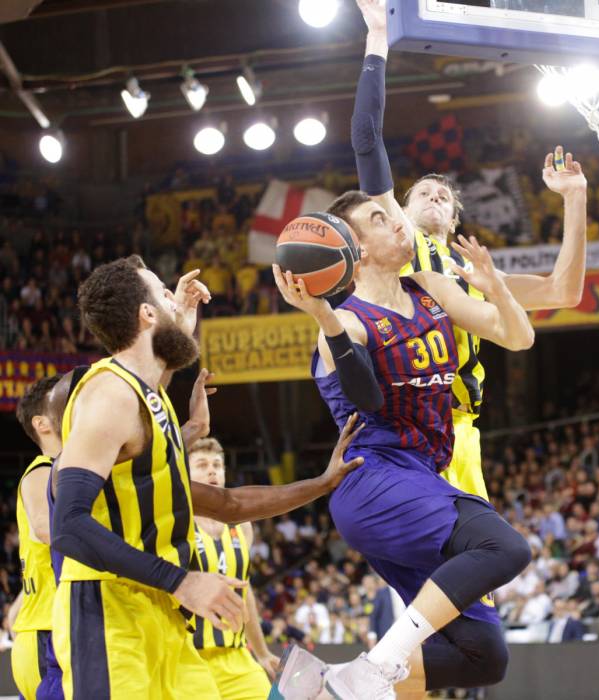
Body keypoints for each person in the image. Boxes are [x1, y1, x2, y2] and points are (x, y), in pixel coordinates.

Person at [50, 259, 365, 700]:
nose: (176, 301)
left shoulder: (151, 397)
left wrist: (322, 483)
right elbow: (68, 526)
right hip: (107, 610)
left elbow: (226, 505)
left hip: (162, 608)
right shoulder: (109, 395)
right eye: (164, 294)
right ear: (146, 315)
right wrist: (183, 581)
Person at [273, 191, 534, 698]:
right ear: (357, 250)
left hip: (418, 477)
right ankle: (377, 666)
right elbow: (366, 396)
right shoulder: (345, 321)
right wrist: (323, 315)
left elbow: (518, 337)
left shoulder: (430, 287)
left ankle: (328, 689)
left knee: (483, 653)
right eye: (381, 218)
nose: (398, 223)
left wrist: (494, 286)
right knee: (504, 546)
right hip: (372, 478)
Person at [351, 0, 587, 502]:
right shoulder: (400, 243)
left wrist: (574, 198)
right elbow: (368, 141)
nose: (435, 194)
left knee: (474, 571)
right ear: (401, 212)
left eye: (444, 196)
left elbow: (563, 291)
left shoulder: (468, 273)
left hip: (460, 431)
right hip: (405, 426)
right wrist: (378, 39)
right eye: (422, 193)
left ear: (455, 218)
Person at [188, 436, 279, 700]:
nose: (212, 470)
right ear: (185, 472)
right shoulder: (176, 521)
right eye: (202, 464)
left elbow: (244, 592)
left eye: (217, 464)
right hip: (189, 656)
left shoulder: (242, 526)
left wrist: (261, 652)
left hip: (236, 655)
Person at [11, 376, 63, 700]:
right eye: (63, 402)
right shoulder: (43, 470)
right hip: (46, 632)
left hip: (48, 627)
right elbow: (46, 530)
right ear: (41, 423)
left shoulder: (64, 469)